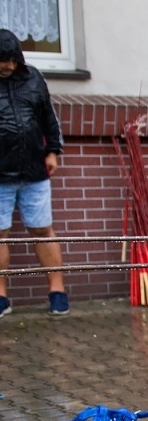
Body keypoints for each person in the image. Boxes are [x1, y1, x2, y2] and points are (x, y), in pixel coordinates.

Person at [0, 29, 67, 316]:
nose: (8, 66)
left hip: (34, 170)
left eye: (13, 60)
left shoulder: (33, 78)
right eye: (3, 61)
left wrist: (52, 150)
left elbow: (48, 117)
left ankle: (57, 291)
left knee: (42, 230)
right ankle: (1, 297)